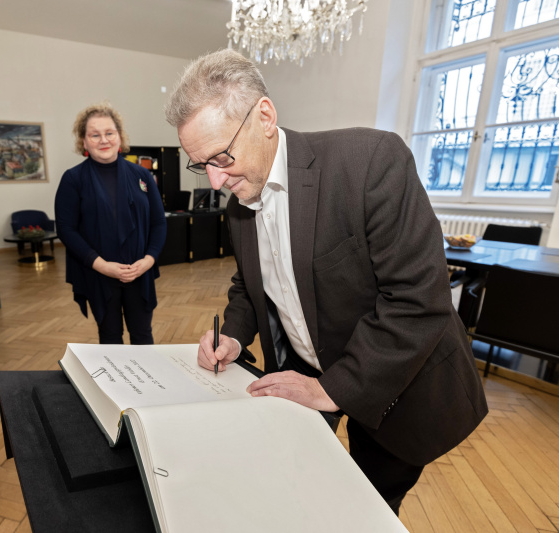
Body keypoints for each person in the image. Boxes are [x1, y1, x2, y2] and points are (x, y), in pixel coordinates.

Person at [164, 49, 487, 514]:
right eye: (201, 164)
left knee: (366, 508)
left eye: (221, 156)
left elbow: (418, 301)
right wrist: (233, 334)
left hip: (395, 386)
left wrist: (333, 390)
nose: (214, 181)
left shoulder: (370, 162)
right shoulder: (239, 198)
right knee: (302, 489)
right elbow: (251, 283)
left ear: (265, 116)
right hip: (303, 371)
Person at [55, 103, 167, 344]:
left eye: (109, 133)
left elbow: (159, 222)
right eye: (94, 134)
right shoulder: (73, 179)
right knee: (109, 337)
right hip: (99, 274)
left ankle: (146, 382)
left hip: (140, 272)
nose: (103, 140)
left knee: (143, 335)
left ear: (119, 136)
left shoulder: (142, 176)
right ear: (84, 142)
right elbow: (66, 229)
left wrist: (148, 261)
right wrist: (103, 266)